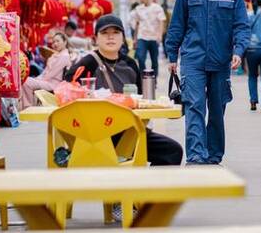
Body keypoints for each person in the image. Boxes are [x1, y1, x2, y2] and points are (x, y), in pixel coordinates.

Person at [165, 0, 250, 165]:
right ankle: (195, 156)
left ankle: (213, 156)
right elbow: (177, 26)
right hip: (193, 60)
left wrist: (238, 51)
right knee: (194, 106)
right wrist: (172, 56)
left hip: (221, 61)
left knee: (217, 109)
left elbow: (241, 26)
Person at [65, 15, 183, 167]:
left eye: (115, 33)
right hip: (97, 133)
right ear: (95, 39)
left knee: (172, 152)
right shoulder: (88, 62)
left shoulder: (130, 64)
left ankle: (150, 190)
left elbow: (141, 99)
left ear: (122, 38)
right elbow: (66, 87)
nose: (110, 37)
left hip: (129, 131)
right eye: (105, 33)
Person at [20, 32, 72, 109]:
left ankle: (28, 106)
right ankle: (27, 105)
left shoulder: (64, 56)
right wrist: (37, 79)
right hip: (48, 81)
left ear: (65, 42)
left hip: (54, 84)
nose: (55, 44)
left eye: (58, 41)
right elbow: (45, 72)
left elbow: (51, 74)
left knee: (27, 82)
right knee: (27, 80)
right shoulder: (56, 55)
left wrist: (37, 80)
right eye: (54, 42)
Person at [130, 0, 166, 80]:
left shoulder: (157, 8)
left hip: (154, 37)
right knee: (140, 58)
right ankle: (143, 78)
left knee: (154, 60)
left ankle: (154, 80)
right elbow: (137, 24)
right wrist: (135, 38)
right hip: (142, 37)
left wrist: (160, 35)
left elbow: (161, 21)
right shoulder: (138, 9)